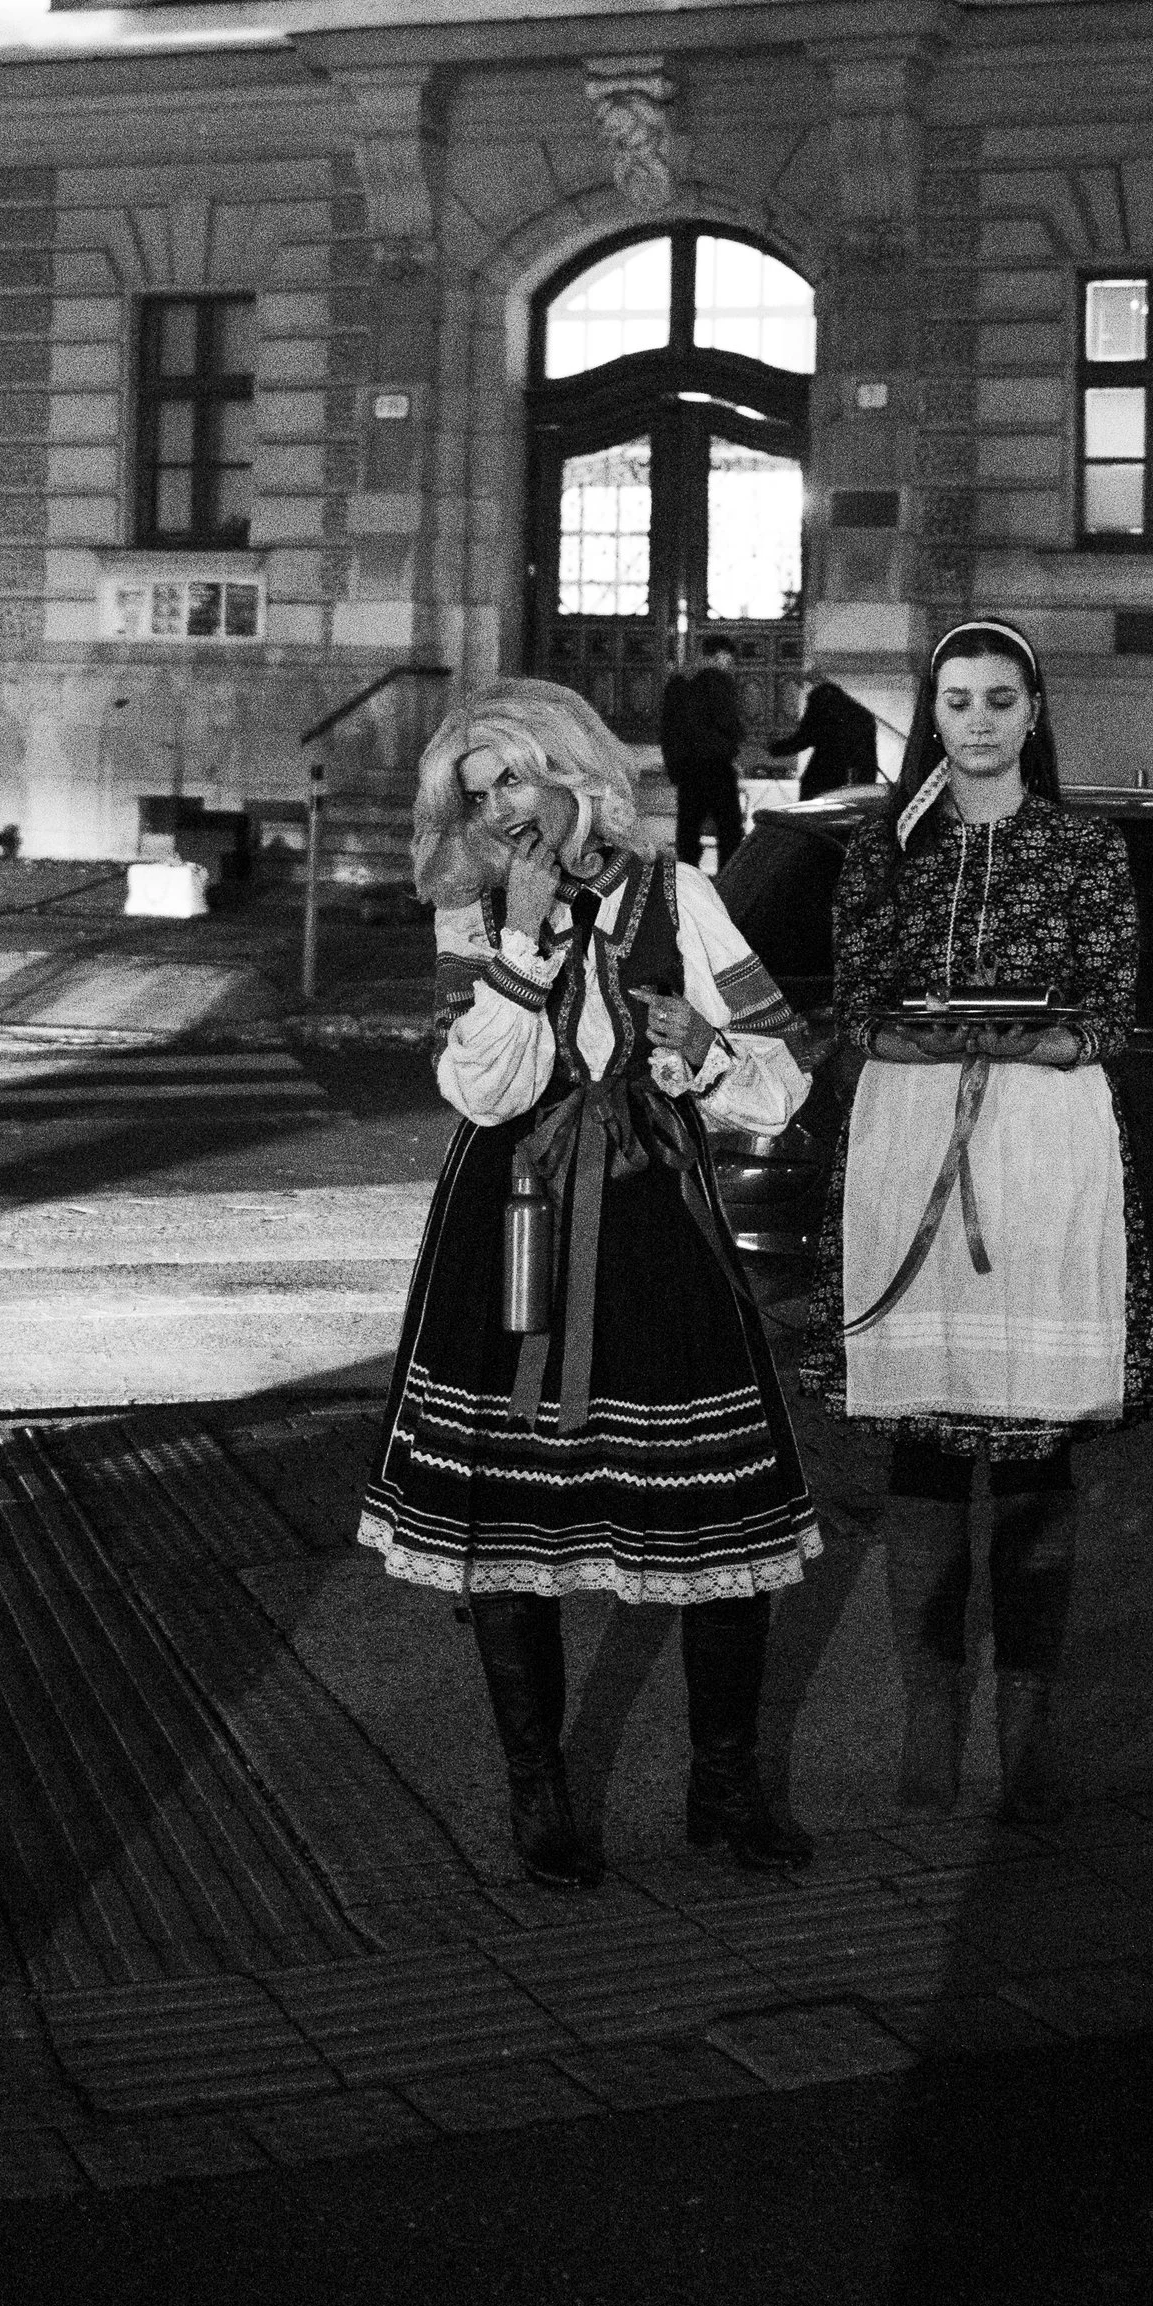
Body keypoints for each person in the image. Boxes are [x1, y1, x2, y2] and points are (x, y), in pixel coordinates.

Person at [359, 678, 822, 1884]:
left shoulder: (683, 895)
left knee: (714, 1505)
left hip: (658, 1220)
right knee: (521, 1515)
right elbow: (483, 1092)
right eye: (477, 791)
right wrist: (518, 936)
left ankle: (722, 1783)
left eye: (514, 776)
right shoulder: (472, 912)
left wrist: (703, 1051)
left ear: (571, 767)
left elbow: (782, 1077)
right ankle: (540, 1797)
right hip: (513, 1228)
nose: (502, 807)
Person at [796, 620, 1153, 1824]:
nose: (981, 719)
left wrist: (1024, 1041)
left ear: (1035, 710)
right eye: (957, 700)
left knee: (1035, 1441)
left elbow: (1106, 1010)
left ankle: (1029, 1732)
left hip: (1043, 1143)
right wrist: (923, 1032)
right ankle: (930, 1717)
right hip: (910, 1136)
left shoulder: (1081, 848)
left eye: (1001, 698)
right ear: (930, 715)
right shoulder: (884, 849)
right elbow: (854, 1001)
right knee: (928, 1438)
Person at [658, 631, 747, 870]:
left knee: (688, 830)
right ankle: (728, 883)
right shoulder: (717, 680)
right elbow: (728, 722)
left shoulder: (678, 684)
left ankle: (687, 880)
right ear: (719, 656)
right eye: (728, 662)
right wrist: (735, 744)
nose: (729, 668)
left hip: (688, 770)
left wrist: (675, 768)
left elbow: (669, 730)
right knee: (729, 830)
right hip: (716, 767)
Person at [767, 674, 881, 801]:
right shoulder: (863, 716)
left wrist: (774, 749)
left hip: (820, 777)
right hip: (852, 779)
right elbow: (869, 760)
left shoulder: (821, 708)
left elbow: (802, 740)